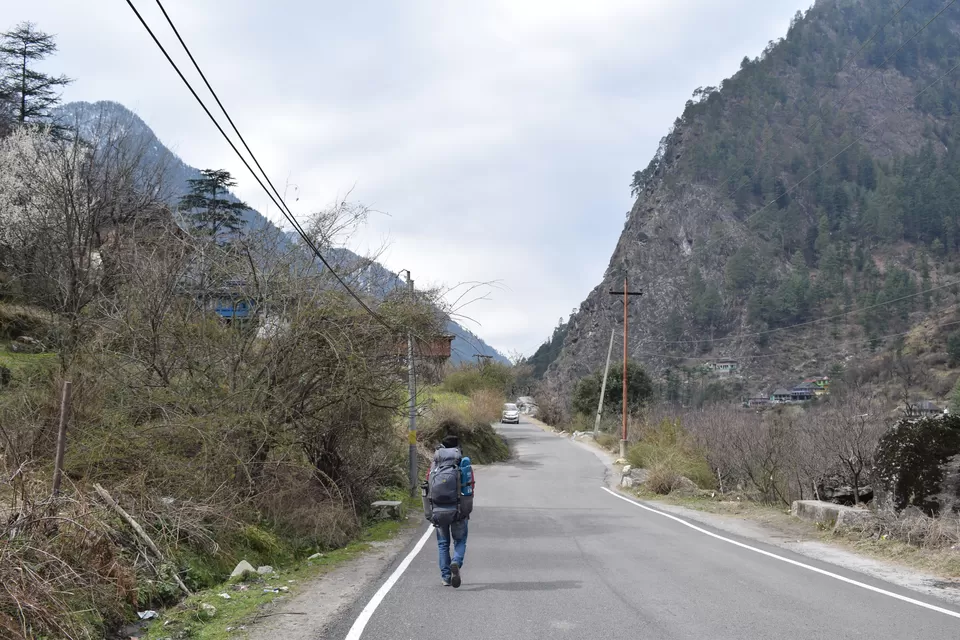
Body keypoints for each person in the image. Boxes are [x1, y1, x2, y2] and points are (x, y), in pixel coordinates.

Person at [428, 434, 474, 587]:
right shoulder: (463, 462)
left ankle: (446, 577)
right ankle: (456, 561)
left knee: (443, 544)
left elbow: (428, 487)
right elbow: (470, 487)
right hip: (458, 510)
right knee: (460, 540)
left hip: (438, 510)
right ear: (457, 448)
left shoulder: (435, 464)